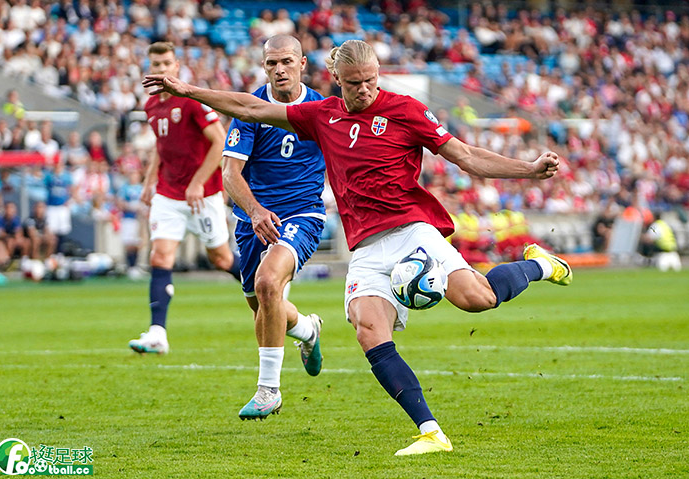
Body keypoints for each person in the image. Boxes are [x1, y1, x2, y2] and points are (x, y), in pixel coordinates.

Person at [143, 39, 572, 456]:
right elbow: (253, 107)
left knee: (478, 299)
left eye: (369, 80)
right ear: (335, 79)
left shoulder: (406, 110)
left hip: (411, 230)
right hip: (365, 247)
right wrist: (189, 90)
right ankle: (430, 431)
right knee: (368, 330)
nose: (363, 89)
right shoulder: (321, 115)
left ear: (378, 74)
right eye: (353, 83)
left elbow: (466, 156)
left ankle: (538, 264)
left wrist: (530, 170)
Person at [221, 35, 326, 420]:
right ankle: (308, 330)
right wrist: (254, 210)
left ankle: (269, 391)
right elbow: (230, 172)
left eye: (285, 61)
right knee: (262, 304)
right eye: (270, 63)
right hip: (255, 219)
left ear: (302, 64)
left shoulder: (321, 110)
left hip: (303, 215)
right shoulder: (251, 109)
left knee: (268, 284)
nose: (278, 69)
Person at [129, 42, 241, 355]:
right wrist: (151, 179)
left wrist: (197, 182)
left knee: (222, 259)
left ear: (176, 66)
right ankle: (157, 333)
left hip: (202, 194)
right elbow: (161, 145)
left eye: (166, 63)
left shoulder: (191, 100)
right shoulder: (152, 104)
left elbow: (220, 142)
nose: (161, 69)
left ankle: (267, 284)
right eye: (156, 64)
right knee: (160, 256)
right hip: (168, 193)